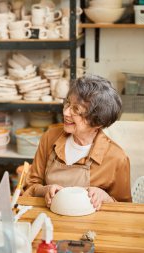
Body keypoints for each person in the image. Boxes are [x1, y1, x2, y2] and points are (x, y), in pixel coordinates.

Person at [23, 75, 132, 210]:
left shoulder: (117, 158)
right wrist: (45, 190)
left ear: (97, 121)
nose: (66, 112)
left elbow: (126, 209)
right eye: (68, 103)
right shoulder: (50, 137)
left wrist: (105, 197)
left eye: (76, 110)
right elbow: (30, 185)